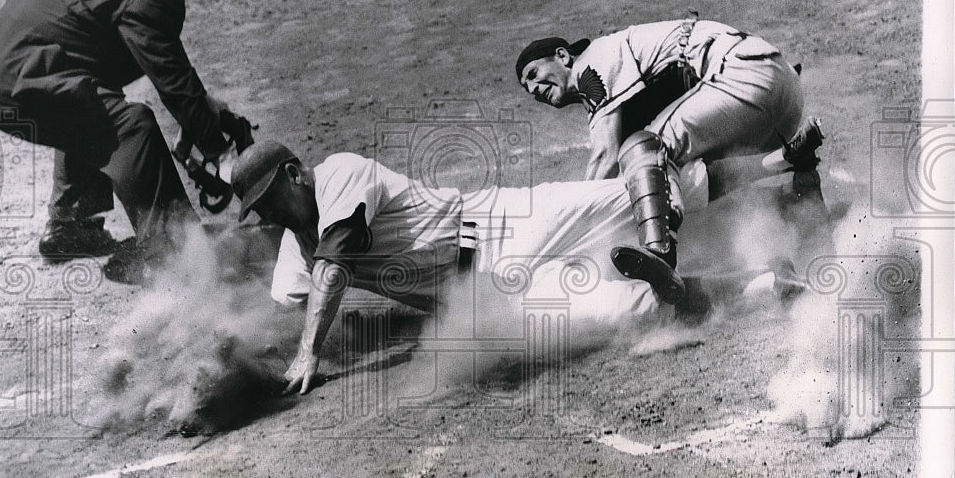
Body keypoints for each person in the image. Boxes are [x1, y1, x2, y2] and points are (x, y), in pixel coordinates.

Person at [230, 140, 809, 396]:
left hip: (500, 221)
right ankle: (764, 282)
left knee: (635, 185)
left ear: (293, 173)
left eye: (266, 200)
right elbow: (291, 303)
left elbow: (333, 267)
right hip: (484, 299)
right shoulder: (294, 241)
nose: (266, 215)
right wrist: (245, 363)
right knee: (622, 309)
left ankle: (779, 165)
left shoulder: (339, 175)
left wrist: (310, 350)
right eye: (258, 211)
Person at [0, 0, 254, 284]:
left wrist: (205, 106)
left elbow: (163, 63)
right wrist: (220, 152)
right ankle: (179, 257)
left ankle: (71, 225)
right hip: (16, 81)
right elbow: (172, 82)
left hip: (13, 65)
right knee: (132, 127)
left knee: (95, 97)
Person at [515, 15, 825, 305]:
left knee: (644, 148)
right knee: (675, 176)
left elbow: (604, 156)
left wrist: (579, 230)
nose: (533, 89)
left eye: (534, 74)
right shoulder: (621, 81)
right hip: (780, 98)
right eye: (527, 88)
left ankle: (660, 256)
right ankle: (794, 189)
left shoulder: (590, 64)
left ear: (563, 56)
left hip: (745, 78)